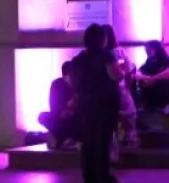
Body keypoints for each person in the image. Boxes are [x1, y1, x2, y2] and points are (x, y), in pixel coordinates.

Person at [70, 24, 123, 183]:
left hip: (85, 103)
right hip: (105, 103)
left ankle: (89, 175)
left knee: (88, 140)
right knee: (102, 140)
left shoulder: (78, 59)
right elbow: (115, 75)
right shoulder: (106, 55)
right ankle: (102, 175)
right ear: (102, 39)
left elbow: (73, 82)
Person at [103, 25, 138, 157]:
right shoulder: (120, 52)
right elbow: (129, 71)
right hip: (121, 89)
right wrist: (127, 87)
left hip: (107, 91)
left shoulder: (101, 54)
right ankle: (131, 142)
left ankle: (114, 154)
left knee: (110, 123)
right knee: (129, 115)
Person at [38, 61, 78, 150]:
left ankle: (64, 139)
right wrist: (66, 107)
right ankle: (64, 139)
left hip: (75, 118)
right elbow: (53, 106)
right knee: (42, 116)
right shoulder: (57, 84)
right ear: (65, 76)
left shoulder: (80, 84)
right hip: (60, 117)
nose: (75, 78)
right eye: (72, 75)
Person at [135, 40, 169, 111]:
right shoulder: (148, 61)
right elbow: (137, 72)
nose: (147, 52)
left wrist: (152, 79)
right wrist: (146, 78)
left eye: (148, 50)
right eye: (146, 50)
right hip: (150, 95)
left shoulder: (167, 59)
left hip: (165, 95)